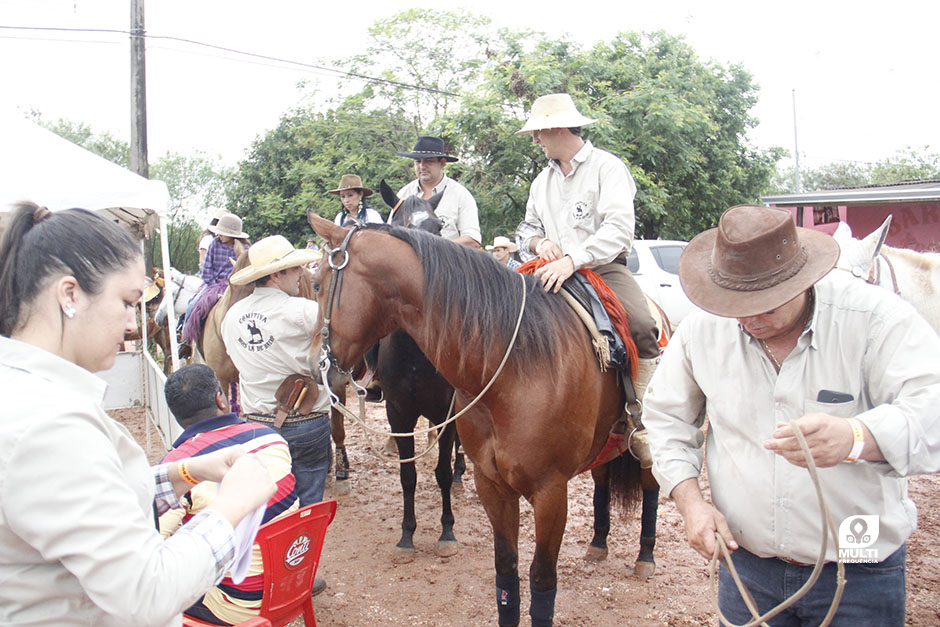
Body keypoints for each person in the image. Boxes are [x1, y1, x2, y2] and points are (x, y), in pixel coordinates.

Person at [643, 204, 940, 626]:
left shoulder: (876, 319)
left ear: (804, 281)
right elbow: (666, 418)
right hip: (746, 566)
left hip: (858, 564)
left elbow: (932, 409)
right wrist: (690, 502)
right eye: (734, 303)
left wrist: (858, 437)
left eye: (765, 304)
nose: (747, 318)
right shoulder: (703, 330)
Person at [0, 202, 274, 626]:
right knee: (199, 306)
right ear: (70, 294)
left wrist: (186, 472)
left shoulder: (30, 396)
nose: (133, 323)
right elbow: (146, 591)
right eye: (127, 302)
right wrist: (232, 507)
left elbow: (85, 499)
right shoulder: (50, 425)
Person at [513, 92, 661, 467]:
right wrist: (539, 241)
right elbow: (526, 226)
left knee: (642, 326)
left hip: (602, 267)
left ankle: (643, 422)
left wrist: (572, 259)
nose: (535, 140)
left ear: (558, 128)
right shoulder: (541, 181)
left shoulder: (607, 168)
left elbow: (618, 229)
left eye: (539, 133)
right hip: (549, 269)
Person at [160, 364, 319, 625]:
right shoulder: (271, 437)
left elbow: (153, 539)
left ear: (177, 416)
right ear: (219, 399)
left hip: (238, 605)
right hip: (292, 579)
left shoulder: (176, 467)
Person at [220, 235, 329, 507]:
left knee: (269, 507)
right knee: (308, 504)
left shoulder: (231, 316)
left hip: (258, 424)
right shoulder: (305, 310)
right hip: (308, 421)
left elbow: (236, 360)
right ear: (277, 274)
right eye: (294, 269)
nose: (301, 274)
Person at [396, 135, 482, 248]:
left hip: (449, 263)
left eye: (428, 161)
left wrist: (435, 248)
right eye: (418, 161)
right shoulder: (404, 194)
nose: (422, 166)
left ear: (442, 163)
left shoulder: (461, 195)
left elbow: (472, 239)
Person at [182, 213, 249, 345]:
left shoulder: (246, 249)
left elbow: (249, 271)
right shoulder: (214, 244)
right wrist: (215, 286)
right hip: (214, 283)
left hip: (238, 284)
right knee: (193, 305)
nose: (219, 235)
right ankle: (186, 340)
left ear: (232, 234)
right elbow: (207, 269)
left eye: (223, 233)